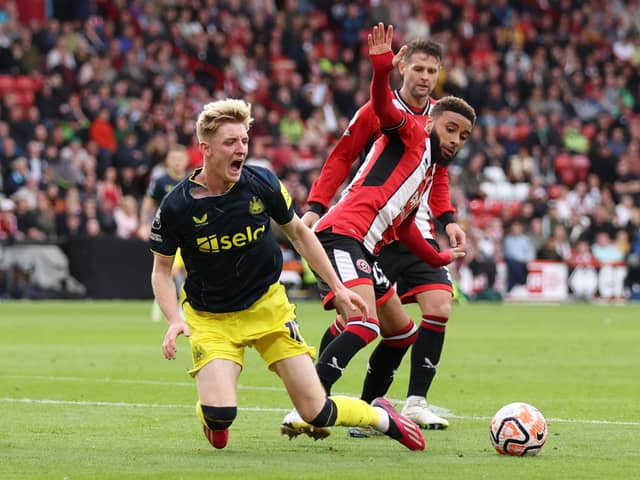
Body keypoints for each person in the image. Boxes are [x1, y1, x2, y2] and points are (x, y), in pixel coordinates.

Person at [149, 98, 426, 451]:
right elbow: (160, 271)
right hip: (210, 318)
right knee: (220, 418)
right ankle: (215, 416)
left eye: (244, 141)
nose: (241, 150)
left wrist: (338, 287)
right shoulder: (177, 206)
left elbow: (300, 233)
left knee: (315, 411)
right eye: (230, 143)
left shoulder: (260, 182)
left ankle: (382, 415)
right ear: (205, 148)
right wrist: (174, 319)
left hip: (268, 308)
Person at [283, 23, 474, 438]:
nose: (425, 77)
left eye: (432, 71)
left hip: (376, 239)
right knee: (364, 322)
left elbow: (408, 225)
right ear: (404, 65)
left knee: (402, 330)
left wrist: (443, 246)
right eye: (418, 68)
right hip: (347, 231)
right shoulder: (406, 125)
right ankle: (307, 404)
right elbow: (365, 130)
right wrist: (380, 70)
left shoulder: (431, 160)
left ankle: (372, 413)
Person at [139, 145, 190, 321]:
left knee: (189, 273)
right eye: (173, 159)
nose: (177, 163)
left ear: (186, 160)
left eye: (180, 159)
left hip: (190, 235)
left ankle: (180, 306)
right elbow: (148, 203)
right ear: (168, 161)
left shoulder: (193, 180)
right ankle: (169, 306)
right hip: (169, 235)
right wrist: (144, 224)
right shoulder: (160, 182)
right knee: (173, 272)